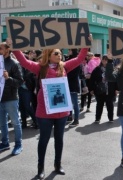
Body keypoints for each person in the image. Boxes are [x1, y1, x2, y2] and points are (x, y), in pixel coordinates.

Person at [8, 36, 90, 179]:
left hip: (62, 111)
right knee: (44, 140)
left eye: (60, 53)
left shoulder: (64, 66)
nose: (59, 55)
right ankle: (40, 168)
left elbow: (78, 60)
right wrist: (14, 47)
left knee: (59, 139)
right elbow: (23, 61)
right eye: (56, 53)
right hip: (44, 111)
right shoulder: (40, 67)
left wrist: (86, 45)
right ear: (48, 55)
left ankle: (58, 165)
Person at [0, 42, 24, 155]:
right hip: (1, 98)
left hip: (11, 98)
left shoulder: (14, 63)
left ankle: (18, 144)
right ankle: (5, 143)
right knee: (2, 123)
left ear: (7, 50)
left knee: (15, 122)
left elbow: (20, 82)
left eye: (0, 48)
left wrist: (8, 78)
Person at [89, 55, 117, 123]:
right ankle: (97, 118)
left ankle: (111, 118)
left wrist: (116, 89)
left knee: (110, 105)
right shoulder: (97, 69)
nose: (104, 61)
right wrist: (91, 89)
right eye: (103, 59)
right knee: (99, 105)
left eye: (106, 60)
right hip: (99, 90)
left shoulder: (112, 69)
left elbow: (116, 80)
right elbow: (92, 80)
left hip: (110, 90)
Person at [65, 49, 82, 127]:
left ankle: (76, 119)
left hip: (73, 84)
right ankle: (70, 116)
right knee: (69, 102)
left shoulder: (76, 61)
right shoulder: (68, 60)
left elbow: (75, 73)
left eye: (70, 50)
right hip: (68, 83)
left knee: (75, 102)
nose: (68, 52)